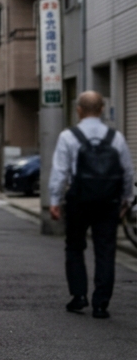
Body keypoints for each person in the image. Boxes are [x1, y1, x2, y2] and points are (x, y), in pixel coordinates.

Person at [48, 90, 134, 319]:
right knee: (105, 250)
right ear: (102, 109)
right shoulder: (115, 137)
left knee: (75, 247)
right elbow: (126, 172)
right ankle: (101, 304)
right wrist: (126, 199)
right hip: (109, 202)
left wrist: (54, 200)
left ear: (78, 110)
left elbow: (60, 171)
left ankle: (79, 297)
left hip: (79, 201)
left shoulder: (69, 136)